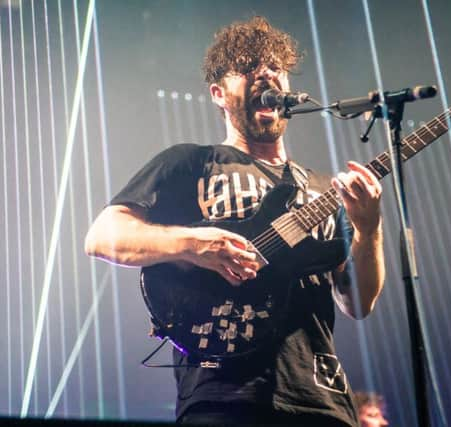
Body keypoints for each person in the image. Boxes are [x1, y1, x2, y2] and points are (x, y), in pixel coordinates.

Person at [85, 16, 385, 426]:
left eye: (275, 67)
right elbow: (103, 235)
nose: (266, 73)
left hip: (321, 399)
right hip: (222, 395)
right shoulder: (191, 162)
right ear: (218, 94)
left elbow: (358, 303)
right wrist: (191, 245)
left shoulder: (321, 187)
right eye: (248, 66)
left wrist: (369, 230)